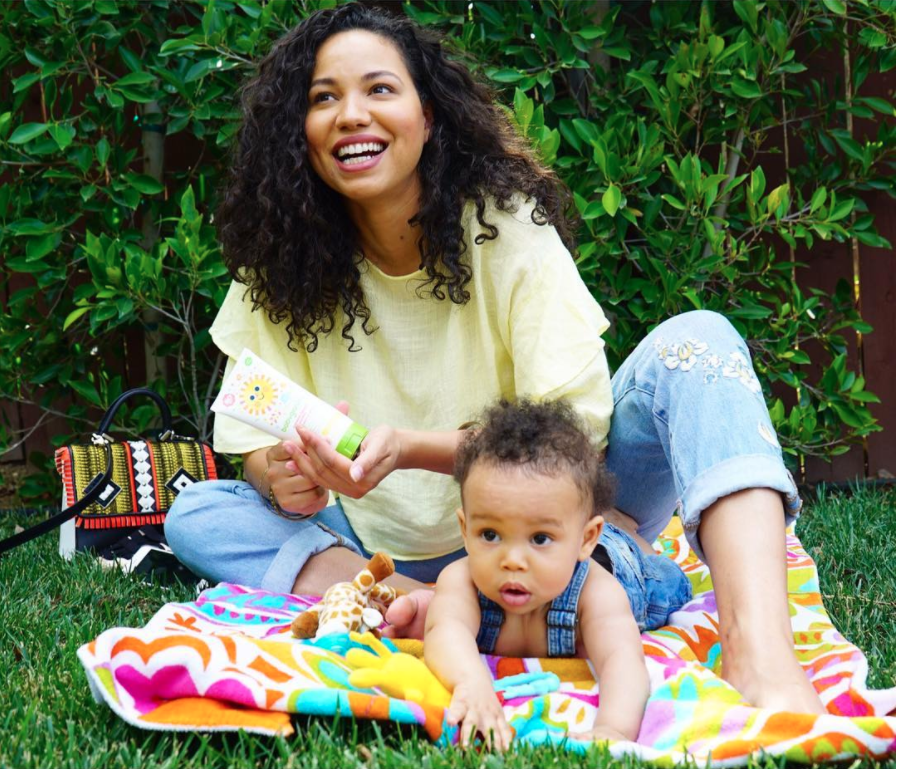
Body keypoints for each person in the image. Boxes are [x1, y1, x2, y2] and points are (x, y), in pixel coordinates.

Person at [164, 3, 826, 716]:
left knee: (698, 341)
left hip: (543, 511)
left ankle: (758, 653)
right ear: (298, 132)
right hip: (374, 540)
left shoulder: (504, 224)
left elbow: (570, 438)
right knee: (198, 512)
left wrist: (411, 449)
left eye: (379, 89)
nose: (350, 114)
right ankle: (429, 599)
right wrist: (285, 478)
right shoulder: (278, 261)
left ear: (429, 115)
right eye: (323, 98)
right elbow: (253, 444)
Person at [425, 398, 692, 749]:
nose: (513, 560)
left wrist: (612, 729)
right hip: (577, 540)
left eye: (539, 538)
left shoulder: (597, 592)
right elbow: (444, 632)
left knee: (669, 582)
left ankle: (632, 539)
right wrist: (472, 683)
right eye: (490, 535)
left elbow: (622, 661)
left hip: (624, 569)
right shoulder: (461, 579)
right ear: (465, 529)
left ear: (585, 539)